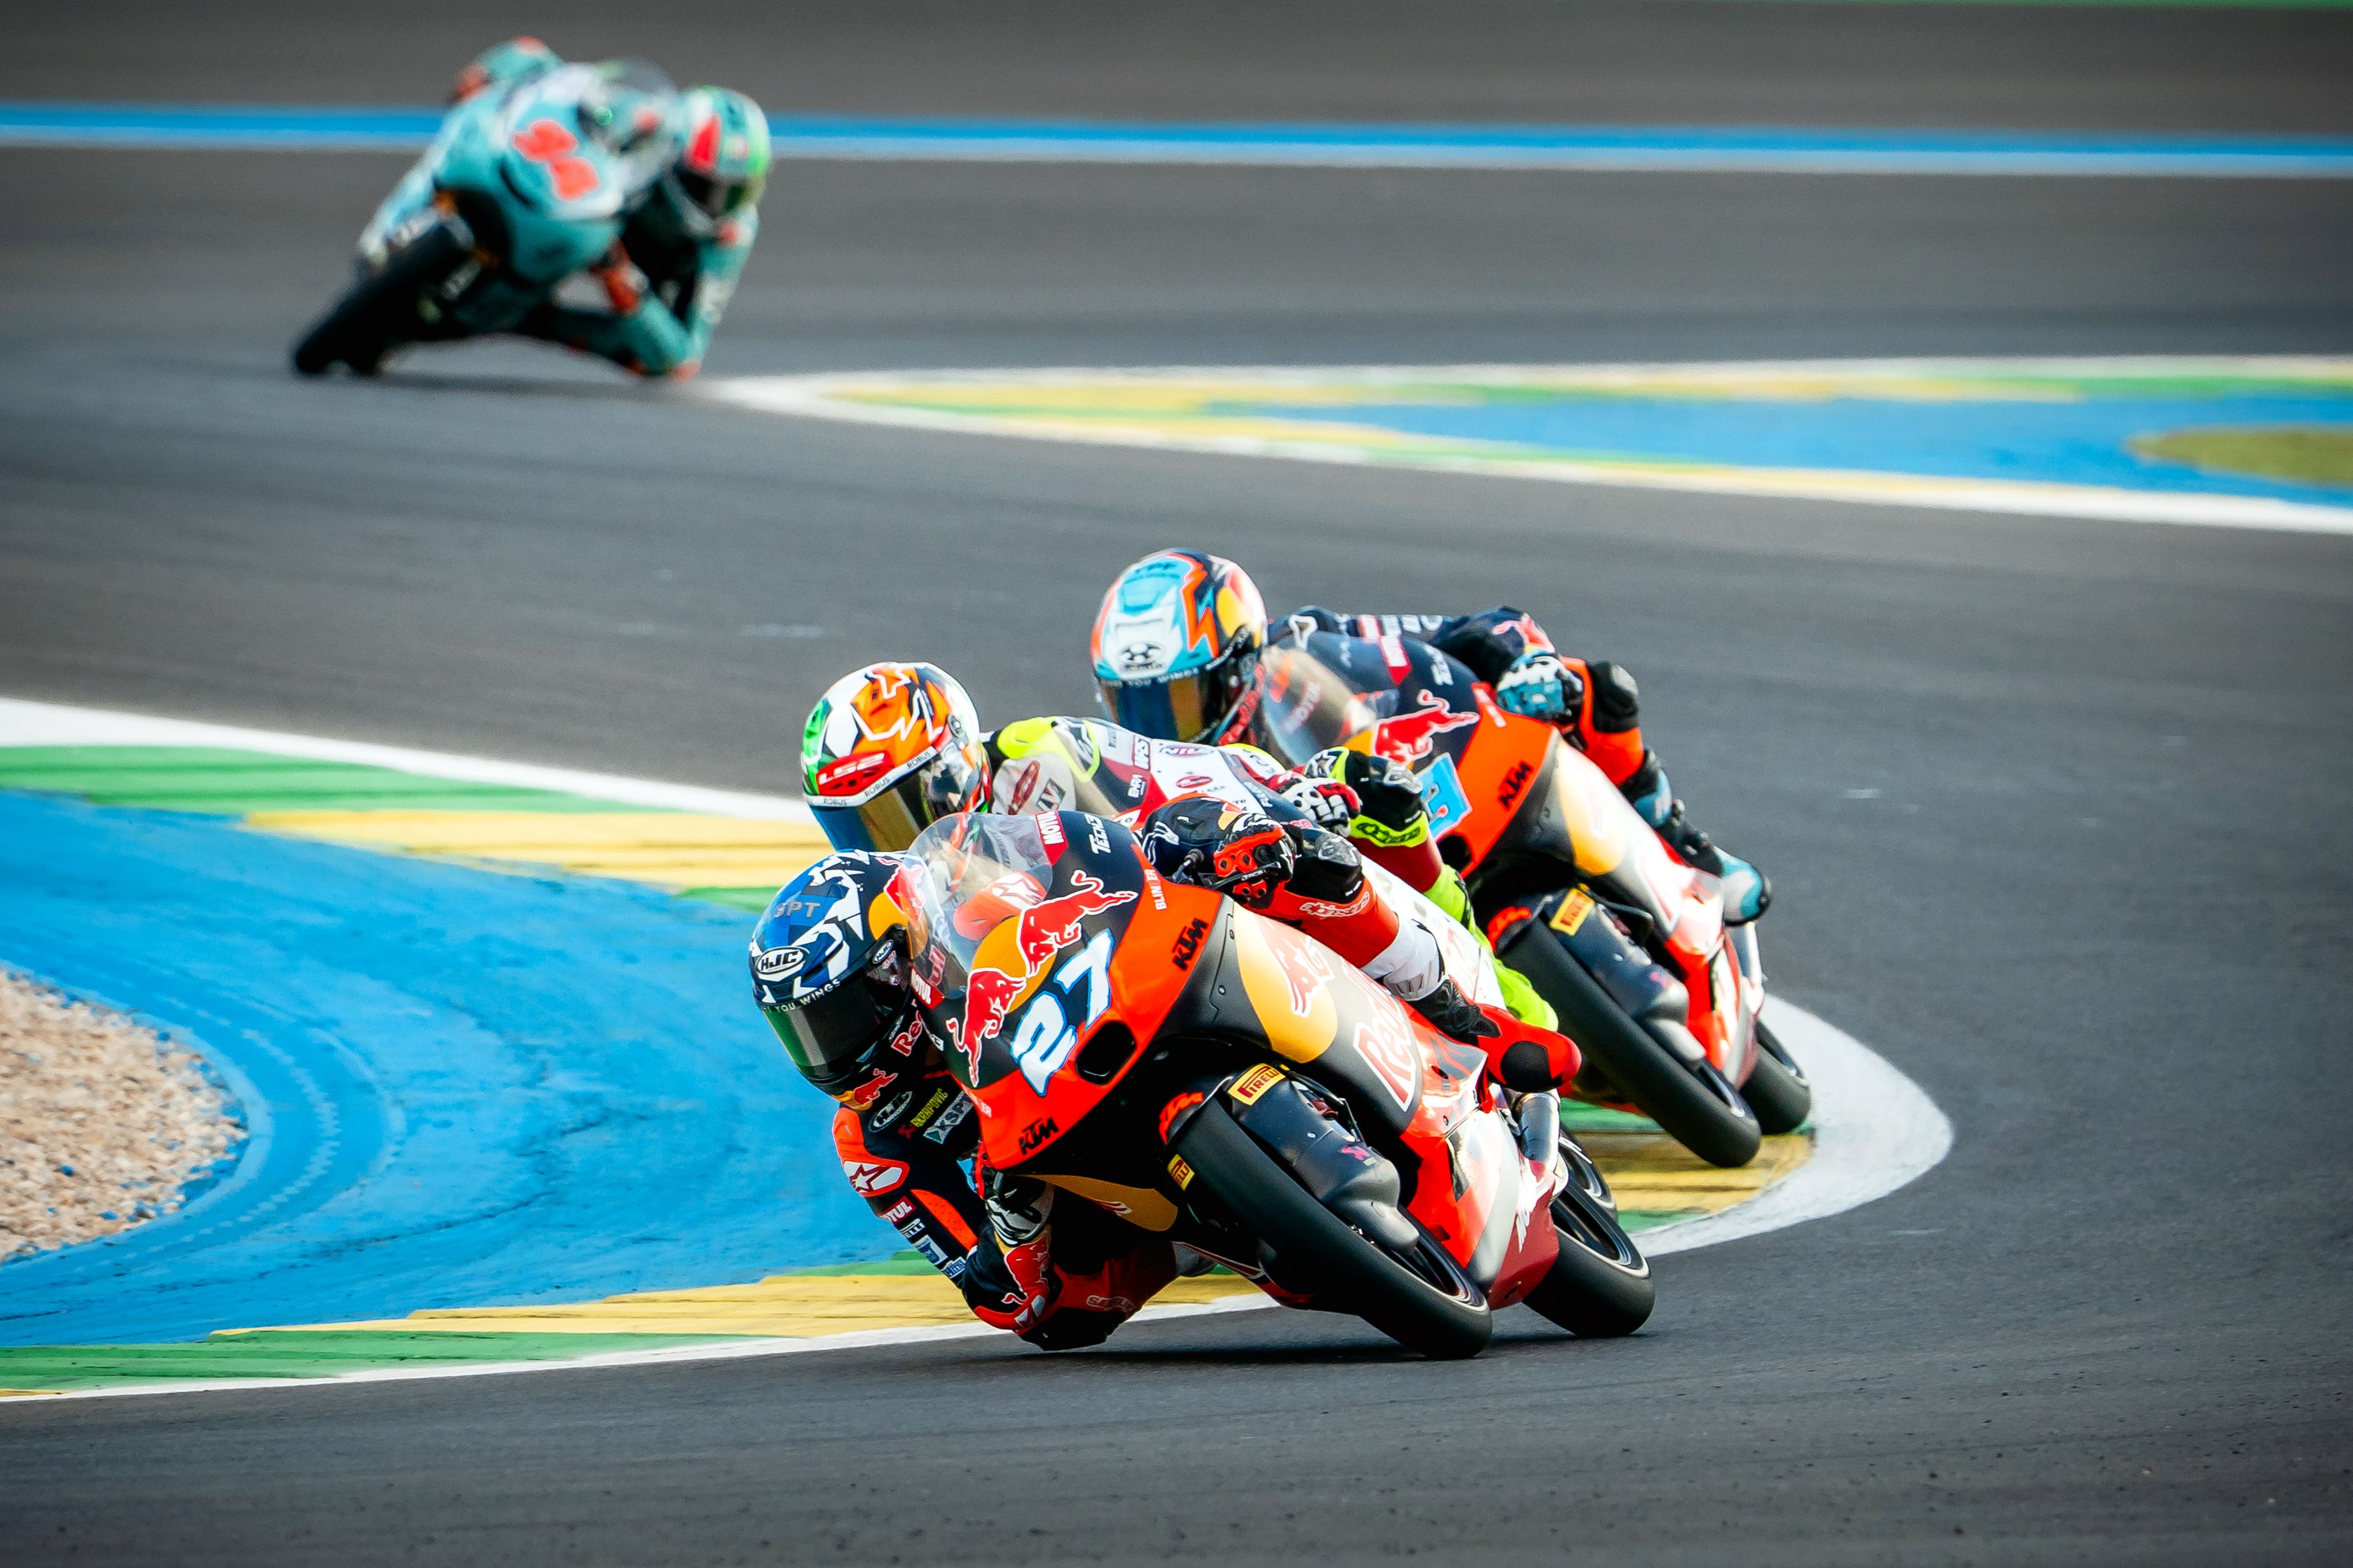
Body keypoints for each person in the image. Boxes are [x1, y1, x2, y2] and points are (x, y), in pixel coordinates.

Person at [1089, 550, 1771, 923]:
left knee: (1593, 688)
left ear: (1240, 660)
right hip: (1351, 892)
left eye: (1179, 698)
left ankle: (1686, 843)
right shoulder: (1152, 776)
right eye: (1135, 704)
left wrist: (1525, 662)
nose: (1160, 726)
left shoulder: (1307, 639)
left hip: (1425, 785)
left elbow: (1474, 629)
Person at [749, 851, 1178, 1351]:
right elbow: (997, 1294)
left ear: (895, 965)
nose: (827, 1049)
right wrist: (1012, 1220)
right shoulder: (870, 1142)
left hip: (1130, 1017)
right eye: (801, 1031)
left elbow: (1108, 869)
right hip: (1086, 1185)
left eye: (837, 1018)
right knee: (1052, 1319)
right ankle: (1186, 1239)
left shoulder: (980, 911)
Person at [440, 39, 769, 379]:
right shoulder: (640, 117)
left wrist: (624, 282)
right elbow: (539, 60)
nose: (721, 206)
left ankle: (525, 320)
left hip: (633, 266)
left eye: (739, 192)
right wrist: (487, 75)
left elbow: (685, 357)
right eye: (707, 187)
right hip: (576, 204)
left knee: (657, 360)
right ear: (671, 156)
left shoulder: (730, 234)